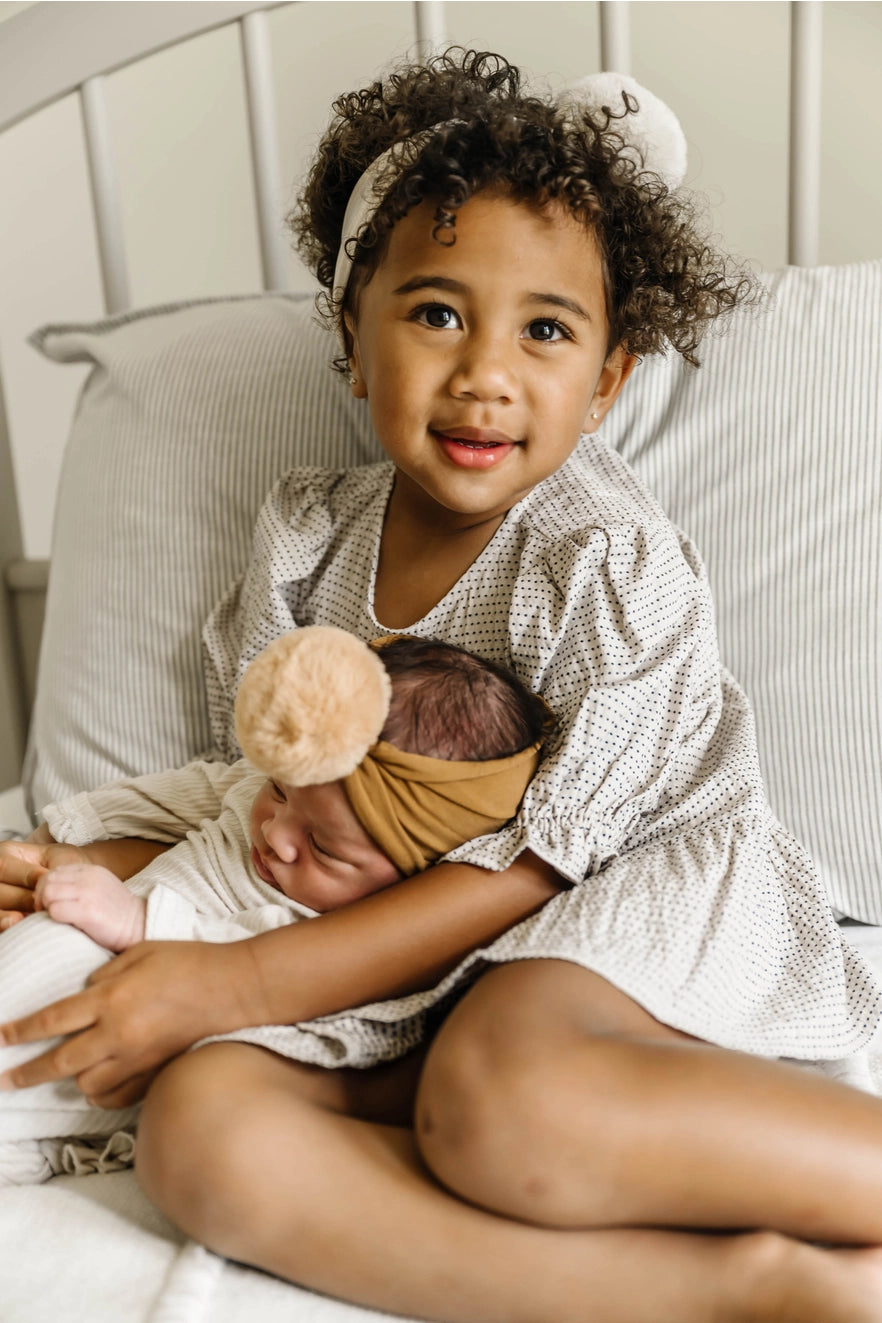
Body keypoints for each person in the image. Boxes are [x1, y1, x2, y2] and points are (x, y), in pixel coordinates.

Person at [3, 49, 882, 1323]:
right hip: (385, 967)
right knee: (199, 1129)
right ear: (353, 347)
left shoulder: (598, 557)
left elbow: (539, 865)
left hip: (602, 911)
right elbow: (267, 799)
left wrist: (234, 988)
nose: (486, 372)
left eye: (545, 330)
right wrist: (85, 860)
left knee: (500, 1090)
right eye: (434, 313)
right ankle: (734, 1291)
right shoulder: (308, 541)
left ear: (609, 382)